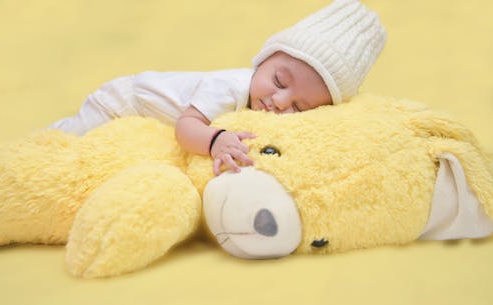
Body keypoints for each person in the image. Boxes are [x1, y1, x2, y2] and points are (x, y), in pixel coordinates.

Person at [49, 0, 386, 175]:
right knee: (69, 143)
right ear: (263, 60)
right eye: (280, 81)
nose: (280, 101)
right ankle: (42, 142)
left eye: (299, 107)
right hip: (122, 102)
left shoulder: (264, 104)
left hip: (148, 124)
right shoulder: (231, 86)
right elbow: (186, 127)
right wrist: (214, 142)